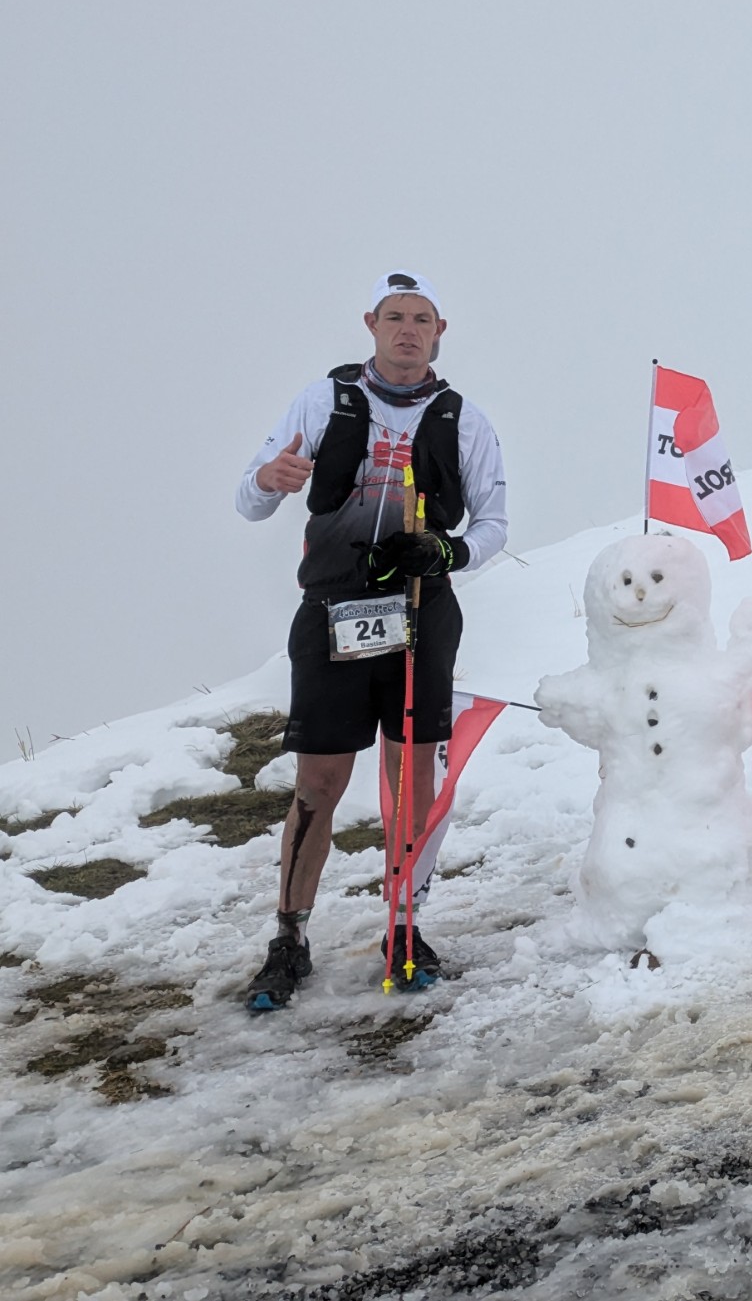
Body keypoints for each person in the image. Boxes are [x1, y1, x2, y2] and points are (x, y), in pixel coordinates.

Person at [235, 271, 507, 1009]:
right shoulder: (324, 400)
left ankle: (403, 924)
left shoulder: (464, 419)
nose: (408, 330)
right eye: (395, 317)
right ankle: (288, 937)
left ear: (440, 331)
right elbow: (250, 498)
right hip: (333, 610)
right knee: (320, 782)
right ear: (371, 323)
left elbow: (492, 526)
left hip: (422, 611)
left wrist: (450, 554)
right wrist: (272, 475)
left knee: (410, 778)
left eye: (422, 319)